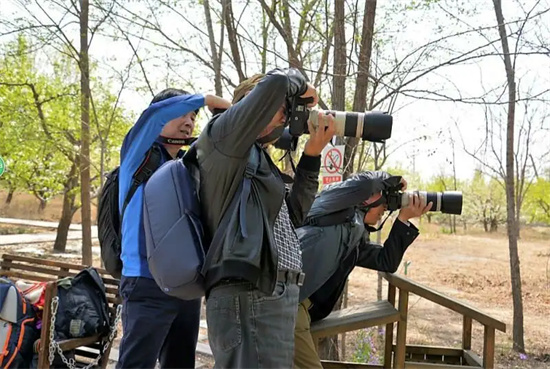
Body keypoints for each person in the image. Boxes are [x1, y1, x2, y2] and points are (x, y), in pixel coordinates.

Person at [195, 68, 335, 368]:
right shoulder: (223, 136)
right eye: (281, 107)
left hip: (273, 293)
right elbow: (278, 82)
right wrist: (301, 86)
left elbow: (293, 217)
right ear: (249, 102)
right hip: (250, 292)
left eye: (286, 112)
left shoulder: (256, 159)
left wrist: (311, 155)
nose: (284, 116)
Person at [116, 88, 231, 369]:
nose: (189, 121)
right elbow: (154, 114)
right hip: (145, 283)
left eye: (193, 116)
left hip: (187, 287)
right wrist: (208, 101)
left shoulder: (186, 166)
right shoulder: (137, 154)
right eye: (181, 114)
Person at [293, 172, 432, 369]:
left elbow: (386, 261)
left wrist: (403, 219)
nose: (385, 209)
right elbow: (364, 183)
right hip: (289, 302)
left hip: (302, 308)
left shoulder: (355, 239)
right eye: (383, 203)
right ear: (366, 199)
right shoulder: (331, 206)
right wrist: (391, 179)